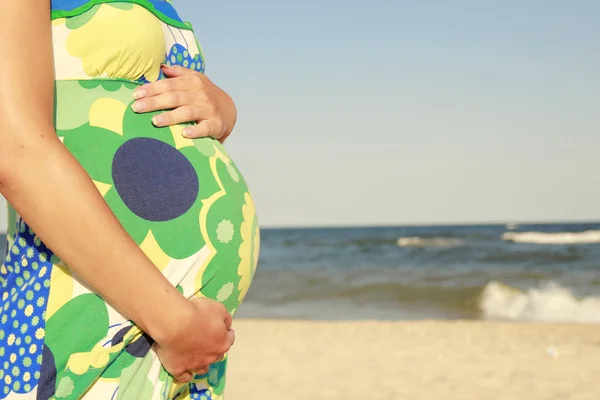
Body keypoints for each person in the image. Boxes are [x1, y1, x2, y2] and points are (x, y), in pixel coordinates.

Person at [0, 0, 260, 398]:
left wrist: (221, 111)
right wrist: (173, 322)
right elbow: (15, 151)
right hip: (100, 309)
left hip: (186, 338)